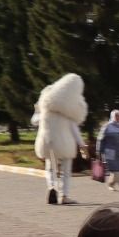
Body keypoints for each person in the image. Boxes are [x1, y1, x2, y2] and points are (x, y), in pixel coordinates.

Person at [34, 73, 87, 206]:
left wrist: (40, 114)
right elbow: (74, 129)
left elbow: (35, 121)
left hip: (47, 141)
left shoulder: (46, 104)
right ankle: (64, 195)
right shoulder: (70, 109)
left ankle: (52, 187)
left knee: (50, 168)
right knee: (66, 171)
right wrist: (82, 145)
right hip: (65, 144)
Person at [97, 109, 119, 193]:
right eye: (116, 115)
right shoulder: (107, 126)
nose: (117, 117)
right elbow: (100, 139)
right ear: (112, 116)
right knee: (114, 169)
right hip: (110, 152)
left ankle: (110, 184)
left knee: (118, 169)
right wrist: (99, 151)